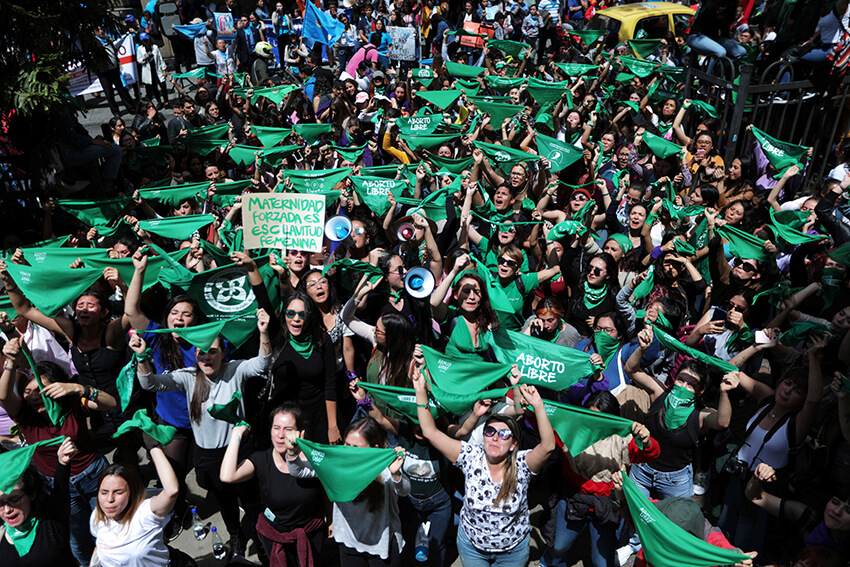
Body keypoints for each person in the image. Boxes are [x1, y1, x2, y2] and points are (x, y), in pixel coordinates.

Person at [131, 310, 272, 561]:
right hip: (207, 455)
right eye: (201, 352)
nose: (207, 357)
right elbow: (150, 383)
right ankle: (235, 536)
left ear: (223, 353)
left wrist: (263, 333)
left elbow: (262, 363)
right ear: (195, 354)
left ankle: (263, 540)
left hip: (238, 451)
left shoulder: (236, 369)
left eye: (213, 351)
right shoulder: (188, 377)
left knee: (251, 501)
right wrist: (142, 357)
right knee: (225, 502)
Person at [412, 357, 556, 566]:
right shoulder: (470, 457)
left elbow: (548, 446)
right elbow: (430, 432)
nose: (495, 437)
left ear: (514, 444)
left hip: (512, 553)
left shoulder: (522, 465)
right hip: (472, 550)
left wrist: (538, 405)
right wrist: (420, 392)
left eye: (504, 434)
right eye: (490, 431)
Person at [286, 417, 409, 567]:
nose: (349, 451)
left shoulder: (386, 467)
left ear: (374, 448)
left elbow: (404, 490)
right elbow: (299, 470)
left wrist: (396, 474)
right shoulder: (336, 466)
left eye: (356, 447)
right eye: (347, 444)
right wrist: (292, 453)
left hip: (382, 548)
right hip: (349, 543)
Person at [220, 402, 327, 567]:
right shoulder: (260, 460)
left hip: (310, 535)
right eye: (276, 428)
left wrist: (332, 518)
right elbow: (227, 476)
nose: (281, 435)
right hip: (276, 536)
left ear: (301, 433)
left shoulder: (313, 460)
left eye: (288, 429)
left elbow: (325, 490)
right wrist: (236, 435)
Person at [90, 442, 193, 567]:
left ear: (132, 492)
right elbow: (100, 545)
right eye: (104, 492)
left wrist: (153, 447)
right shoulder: (97, 516)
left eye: (118, 492)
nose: (109, 499)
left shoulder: (144, 512)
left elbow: (171, 491)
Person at [0, 438, 78, 566]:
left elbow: (60, 491)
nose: (7, 509)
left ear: (31, 494)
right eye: (0, 504)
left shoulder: (51, 522)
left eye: (14, 500)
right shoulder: (2, 532)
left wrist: (63, 463)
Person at [93, 26, 136, 116]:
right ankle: (116, 112)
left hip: (114, 70)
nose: (101, 31)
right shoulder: (94, 43)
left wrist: (117, 62)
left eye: (102, 29)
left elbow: (113, 52)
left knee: (122, 89)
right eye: (98, 30)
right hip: (104, 72)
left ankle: (131, 108)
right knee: (109, 93)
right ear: (95, 32)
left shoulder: (108, 41)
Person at [136, 33, 170, 109]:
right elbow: (138, 60)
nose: (146, 42)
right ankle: (159, 102)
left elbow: (160, 58)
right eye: (144, 41)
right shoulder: (140, 49)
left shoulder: (155, 47)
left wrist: (164, 69)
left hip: (157, 70)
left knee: (163, 86)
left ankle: (166, 102)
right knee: (154, 88)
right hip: (149, 72)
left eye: (146, 40)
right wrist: (144, 58)